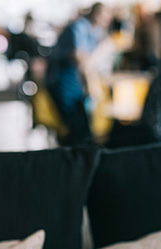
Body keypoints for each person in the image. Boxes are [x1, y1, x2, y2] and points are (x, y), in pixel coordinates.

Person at [45, 2, 112, 145]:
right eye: (105, 16)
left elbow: (88, 65)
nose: (108, 20)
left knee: (82, 126)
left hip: (76, 82)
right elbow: (81, 60)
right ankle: (69, 160)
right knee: (73, 124)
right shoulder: (78, 27)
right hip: (62, 81)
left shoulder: (96, 31)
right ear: (96, 14)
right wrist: (102, 49)